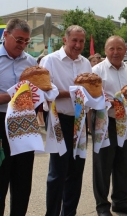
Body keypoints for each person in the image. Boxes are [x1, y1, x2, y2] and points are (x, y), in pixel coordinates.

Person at [0, 18, 37, 216]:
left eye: (26, 42)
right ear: (6, 35)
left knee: (23, 182)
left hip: (24, 123)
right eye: (19, 40)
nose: (22, 45)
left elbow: (38, 92)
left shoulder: (30, 62)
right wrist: (15, 95)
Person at [39, 25, 92, 216]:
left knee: (76, 170)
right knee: (58, 172)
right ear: (65, 40)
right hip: (57, 119)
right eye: (74, 40)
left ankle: (69, 213)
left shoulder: (85, 63)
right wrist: (73, 92)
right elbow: (44, 92)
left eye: (81, 41)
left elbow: (88, 90)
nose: (77, 45)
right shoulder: (50, 61)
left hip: (79, 120)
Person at [91, 36, 127, 216]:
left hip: (126, 122)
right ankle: (102, 206)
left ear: (125, 50)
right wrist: (107, 102)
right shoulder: (97, 70)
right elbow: (92, 96)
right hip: (105, 122)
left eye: (119, 48)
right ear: (105, 50)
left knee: (124, 163)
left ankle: (120, 201)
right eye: (112, 48)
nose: (116, 52)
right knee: (102, 165)